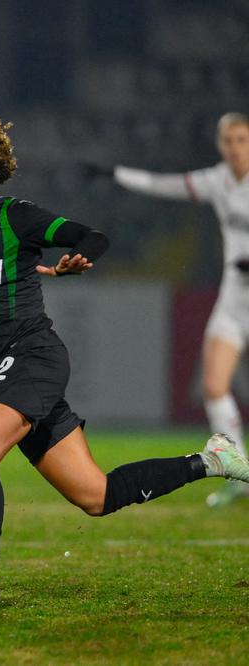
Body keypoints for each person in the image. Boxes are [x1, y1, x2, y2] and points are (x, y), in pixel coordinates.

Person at [0, 116, 249, 609]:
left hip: (33, 356)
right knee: (96, 496)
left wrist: (76, 258)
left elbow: (91, 236)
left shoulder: (14, 217)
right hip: (7, 372)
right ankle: (211, 461)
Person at [85, 112, 249, 508]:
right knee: (214, 385)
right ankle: (240, 472)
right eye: (228, 141)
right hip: (234, 300)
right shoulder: (218, 180)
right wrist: (117, 173)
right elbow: (167, 185)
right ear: (219, 145)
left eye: (242, 140)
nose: (234, 148)